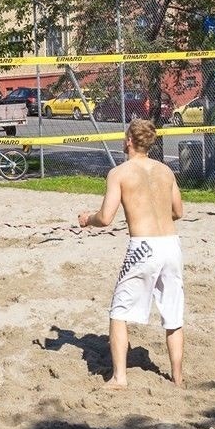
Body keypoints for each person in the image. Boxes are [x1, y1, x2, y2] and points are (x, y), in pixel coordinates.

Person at [77, 118, 185, 389]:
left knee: (118, 311)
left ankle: (119, 378)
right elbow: (178, 212)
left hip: (144, 247)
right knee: (173, 314)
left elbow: (105, 218)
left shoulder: (120, 173)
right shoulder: (165, 171)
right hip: (171, 244)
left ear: (128, 141)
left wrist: (87, 219)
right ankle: (178, 378)